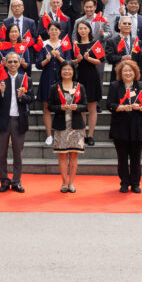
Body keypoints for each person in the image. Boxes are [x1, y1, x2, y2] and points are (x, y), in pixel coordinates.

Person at [0, 52, 32, 193]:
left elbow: (31, 98)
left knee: (18, 154)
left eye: (15, 61)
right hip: (3, 120)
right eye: (10, 62)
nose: (13, 64)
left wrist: (23, 96)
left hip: (19, 121)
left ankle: (16, 181)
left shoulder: (25, 79)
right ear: (5, 63)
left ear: (19, 63)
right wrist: (0, 92)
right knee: (1, 154)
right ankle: (3, 180)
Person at [107, 60, 142, 193]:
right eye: (125, 71)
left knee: (136, 158)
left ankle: (135, 183)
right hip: (120, 126)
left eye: (130, 71)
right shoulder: (114, 86)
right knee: (122, 157)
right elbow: (109, 104)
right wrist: (120, 107)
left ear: (135, 72)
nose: (128, 73)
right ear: (120, 73)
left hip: (137, 126)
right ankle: (124, 182)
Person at [48, 61, 87, 193]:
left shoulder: (79, 86)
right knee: (63, 156)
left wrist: (77, 107)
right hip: (61, 125)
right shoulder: (55, 87)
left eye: (69, 69)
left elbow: (85, 105)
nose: (67, 72)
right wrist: (60, 107)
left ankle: (72, 183)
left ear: (73, 72)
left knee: (74, 155)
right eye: (64, 69)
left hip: (76, 126)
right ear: (60, 71)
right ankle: (64, 182)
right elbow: (50, 106)